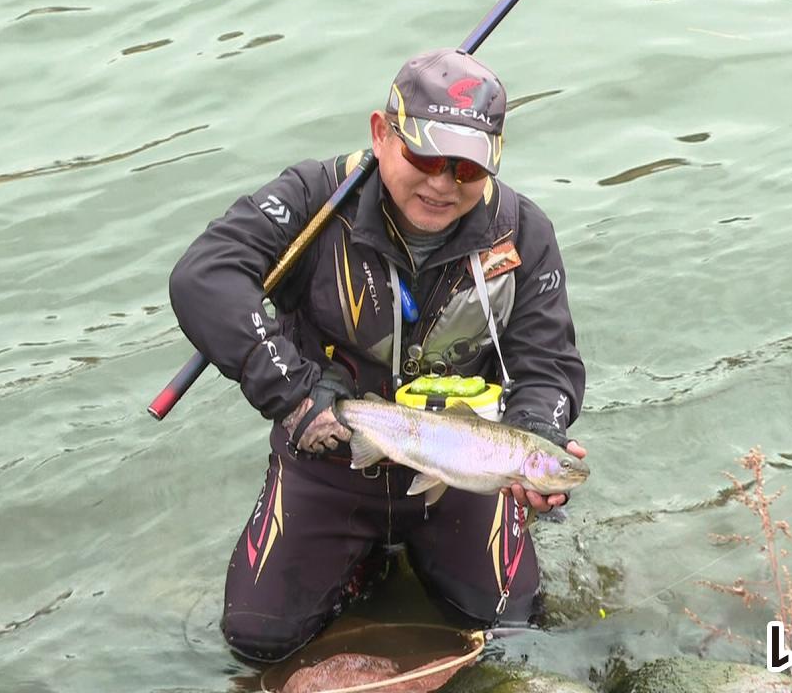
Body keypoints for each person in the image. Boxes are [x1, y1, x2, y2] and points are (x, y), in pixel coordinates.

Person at [169, 48, 587, 663]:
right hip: (328, 455)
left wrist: (538, 432)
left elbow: (547, 364)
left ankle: (421, 567)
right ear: (380, 133)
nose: (442, 184)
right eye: (423, 156)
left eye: (466, 169)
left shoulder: (523, 231)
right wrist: (294, 393)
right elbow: (204, 276)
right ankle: (364, 566)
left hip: (463, 467)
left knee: (512, 630)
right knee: (257, 642)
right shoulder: (315, 198)